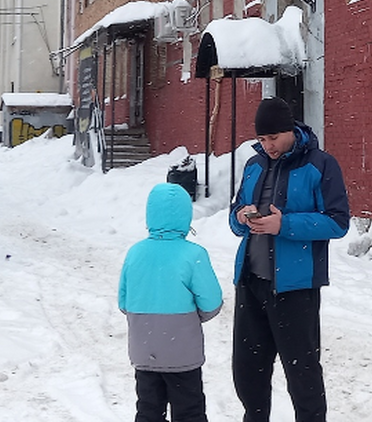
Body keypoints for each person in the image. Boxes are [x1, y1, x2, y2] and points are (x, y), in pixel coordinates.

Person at [228, 97, 351, 422]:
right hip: (251, 282)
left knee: (302, 374)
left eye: (274, 138)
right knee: (247, 372)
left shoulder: (320, 165)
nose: (268, 145)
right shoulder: (253, 165)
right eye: (262, 139)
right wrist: (241, 217)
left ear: (291, 131)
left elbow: (338, 222)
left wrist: (285, 225)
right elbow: (233, 217)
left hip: (295, 287)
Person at [119, 182, 224, 422]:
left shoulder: (135, 253)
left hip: (145, 352)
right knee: (189, 412)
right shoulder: (193, 255)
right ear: (185, 216)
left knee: (148, 410)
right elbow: (212, 303)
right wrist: (190, 318)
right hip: (182, 355)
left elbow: (124, 302)